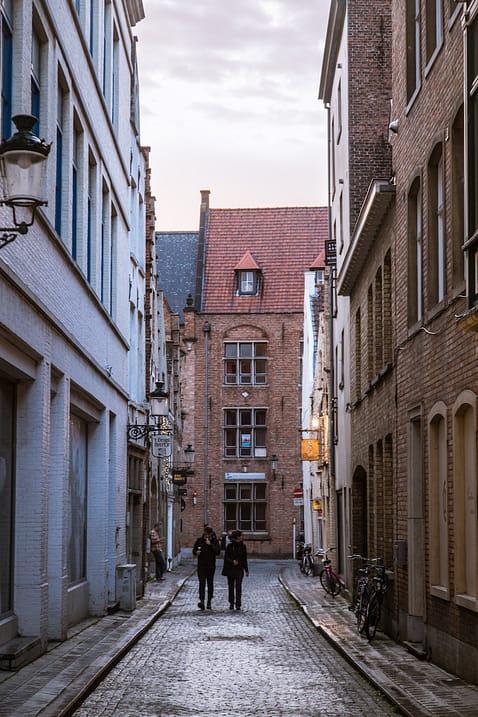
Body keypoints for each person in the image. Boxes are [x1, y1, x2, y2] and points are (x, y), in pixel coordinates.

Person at [192, 526, 220, 610]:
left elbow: (217, 551)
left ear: (211, 534)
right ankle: (202, 600)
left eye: (208, 534)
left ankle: (209, 601)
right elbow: (194, 550)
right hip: (201, 565)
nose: (206, 536)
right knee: (202, 583)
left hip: (211, 565)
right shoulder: (199, 540)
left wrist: (210, 545)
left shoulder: (214, 541)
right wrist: (196, 552)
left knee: (210, 583)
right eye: (205, 534)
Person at [222, 530, 249, 610]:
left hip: (239, 568)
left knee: (238, 586)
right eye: (242, 535)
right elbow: (226, 557)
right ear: (238, 537)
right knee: (231, 587)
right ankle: (231, 603)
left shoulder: (243, 546)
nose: (243, 537)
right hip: (230, 568)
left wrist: (246, 570)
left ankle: (238, 603)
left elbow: (244, 558)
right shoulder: (230, 546)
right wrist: (232, 561)